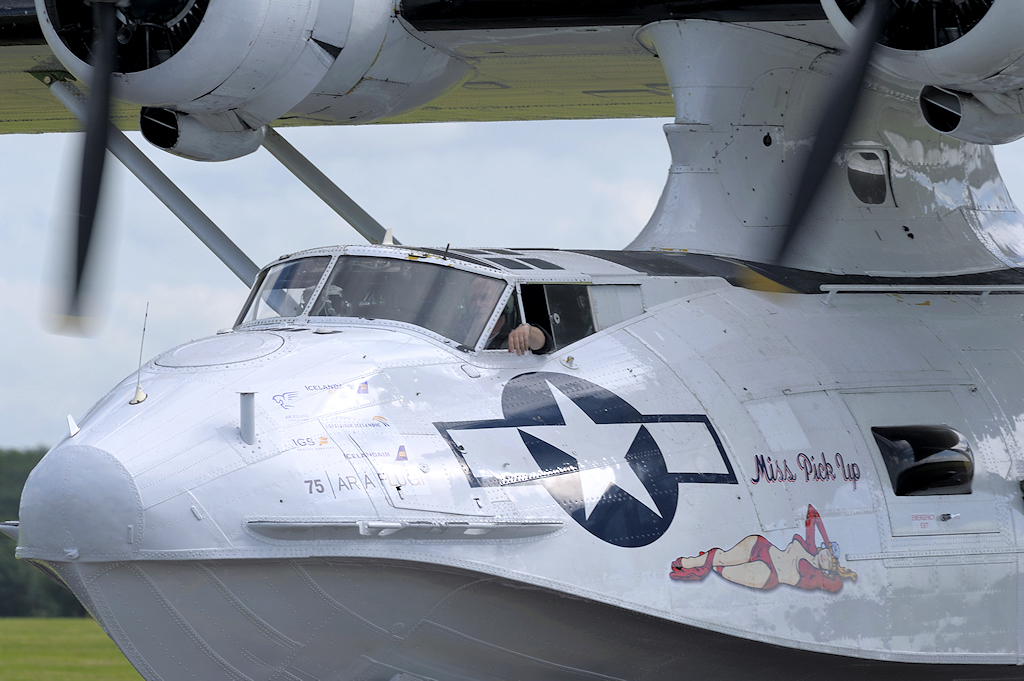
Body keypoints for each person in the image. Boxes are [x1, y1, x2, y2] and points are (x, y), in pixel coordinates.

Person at [669, 505, 857, 592]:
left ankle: (699, 569)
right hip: (764, 548)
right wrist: (827, 541)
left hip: (769, 573)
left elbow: (836, 585)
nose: (827, 557)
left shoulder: (815, 576)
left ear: (827, 569)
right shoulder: (810, 546)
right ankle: (686, 563)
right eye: (829, 553)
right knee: (722, 557)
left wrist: (835, 572)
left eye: (830, 562)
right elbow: (812, 512)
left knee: (721, 569)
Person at [485, 295, 553, 355]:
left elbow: (544, 345)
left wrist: (528, 331)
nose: (479, 304)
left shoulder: (512, 339)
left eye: (485, 299)